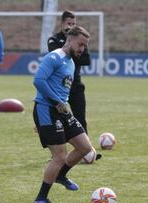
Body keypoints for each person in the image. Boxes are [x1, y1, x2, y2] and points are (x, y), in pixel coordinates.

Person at [33, 26, 92, 203]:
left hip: (62, 110)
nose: (82, 49)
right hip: (47, 109)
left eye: (85, 46)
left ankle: (61, 176)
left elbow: (62, 91)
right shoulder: (54, 57)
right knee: (59, 156)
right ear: (70, 39)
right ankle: (41, 198)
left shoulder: (71, 62)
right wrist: (56, 102)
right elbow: (38, 81)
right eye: (80, 44)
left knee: (85, 147)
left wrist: (63, 106)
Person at [48, 11, 102, 160]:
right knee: (57, 121)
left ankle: (87, 152)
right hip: (58, 88)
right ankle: (56, 155)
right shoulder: (53, 39)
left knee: (80, 118)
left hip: (76, 86)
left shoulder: (80, 41)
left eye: (73, 24)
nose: (71, 26)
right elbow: (57, 58)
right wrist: (70, 45)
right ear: (62, 23)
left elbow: (86, 60)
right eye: (68, 23)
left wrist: (71, 50)